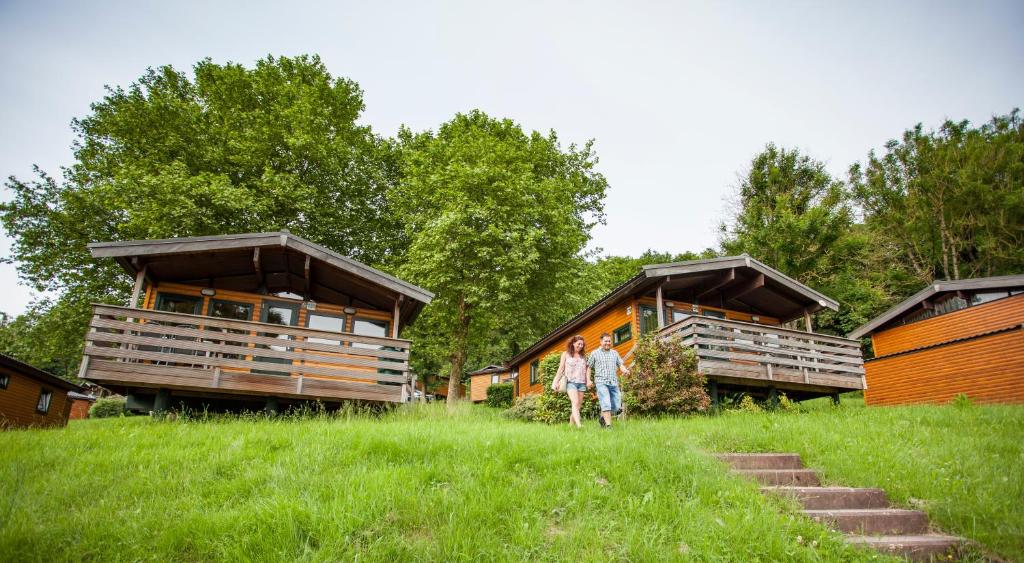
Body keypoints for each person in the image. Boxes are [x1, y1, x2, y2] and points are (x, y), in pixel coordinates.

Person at [588, 332, 630, 428]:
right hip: (601, 382)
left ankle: (602, 418)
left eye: (609, 341)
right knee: (606, 402)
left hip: (613, 382)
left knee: (616, 406)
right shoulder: (595, 353)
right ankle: (608, 426)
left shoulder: (614, 353)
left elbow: (620, 365)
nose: (608, 343)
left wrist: (625, 370)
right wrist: (588, 380)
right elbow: (589, 367)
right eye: (605, 341)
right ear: (601, 341)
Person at [555, 335, 592, 428]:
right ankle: (579, 425)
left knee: (577, 406)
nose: (580, 346)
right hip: (571, 382)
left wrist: (588, 380)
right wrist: (556, 381)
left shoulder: (583, 356)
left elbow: (588, 369)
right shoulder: (565, 354)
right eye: (578, 344)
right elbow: (561, 369)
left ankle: (570, 425)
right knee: (575, 402)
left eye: (582, 344)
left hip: (582, 383)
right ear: (573, 343)